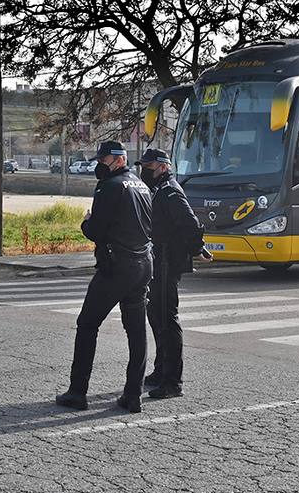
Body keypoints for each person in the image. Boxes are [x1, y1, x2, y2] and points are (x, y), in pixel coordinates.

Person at [56, 140, 153, 414]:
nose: (100, 165)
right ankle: (133, 395)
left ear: (119, 159)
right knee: (136, 331)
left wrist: (85, 222)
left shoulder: (108, 187)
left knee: (87, 324)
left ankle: (77, 392)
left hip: (117, 267)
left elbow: (96, 231)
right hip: (143, 263)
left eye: (103, 161)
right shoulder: (141, 185)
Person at [139, 147, 211, 399]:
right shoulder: (159, 189)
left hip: (168, 261)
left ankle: (173, 381)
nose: (144, 171)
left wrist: (198, 248)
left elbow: (190, 223)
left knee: (167, 319)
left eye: (148, 167)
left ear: (163, 166)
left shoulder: (170, 191)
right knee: (156, 317)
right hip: (158, 260)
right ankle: (161, 371)